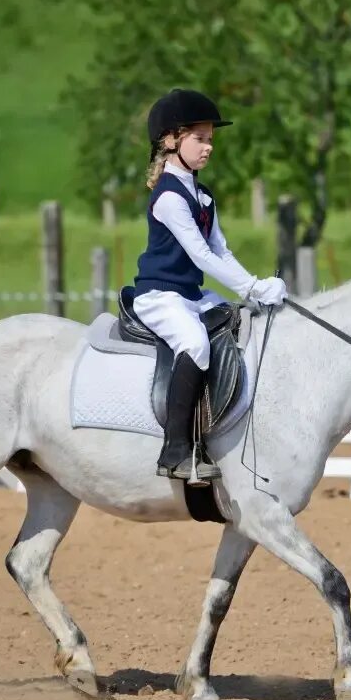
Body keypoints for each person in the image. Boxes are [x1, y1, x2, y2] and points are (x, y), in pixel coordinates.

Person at [130, 88, 287, 482]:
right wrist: (252, 287)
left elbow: (222, 250)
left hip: (190, 295)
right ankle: (174, 451)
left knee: (239, 323)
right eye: (200, 139)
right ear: (171, 141)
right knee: (196, 344)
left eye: (210, 140)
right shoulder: (168, 196)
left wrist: (255, 289)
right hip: (160, 295)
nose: (208, 148)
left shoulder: (203, 195)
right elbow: (201, 256)